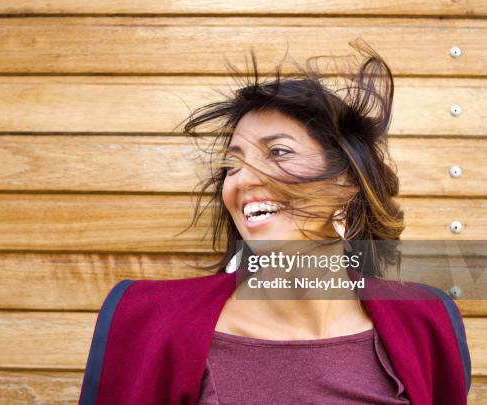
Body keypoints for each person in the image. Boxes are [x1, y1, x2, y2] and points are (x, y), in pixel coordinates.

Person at [78, 39, 471, 405]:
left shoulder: (427, 323)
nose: (243, 179)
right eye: (233, 164)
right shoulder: (147, 321)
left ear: (347, 182)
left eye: (278, 152)